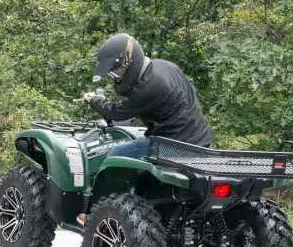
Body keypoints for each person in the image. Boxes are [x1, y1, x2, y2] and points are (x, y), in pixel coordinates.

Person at [83, 33, 212, 159]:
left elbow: (116, 113)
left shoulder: (147, 88)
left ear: (129, 61)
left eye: (116, 72)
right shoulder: (164, 66)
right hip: (200, 138)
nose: (116, 77)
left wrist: (94, 100)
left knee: (114, 154)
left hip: (175, 146)